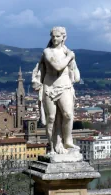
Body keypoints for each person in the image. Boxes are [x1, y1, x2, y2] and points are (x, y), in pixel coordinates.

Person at [32, 26, 80, 154]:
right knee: (51, 118)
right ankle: (53, 146)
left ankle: (68, 141)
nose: (54, 38)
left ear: (63, 37)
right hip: (49, 87)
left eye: (57, 36)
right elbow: (58, 66)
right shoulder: (48, 52)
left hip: (65, 86)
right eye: (53, 36)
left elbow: (77, 77)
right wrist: (70, 56)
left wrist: (72, 61)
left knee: (68, 115)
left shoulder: (67, 52)